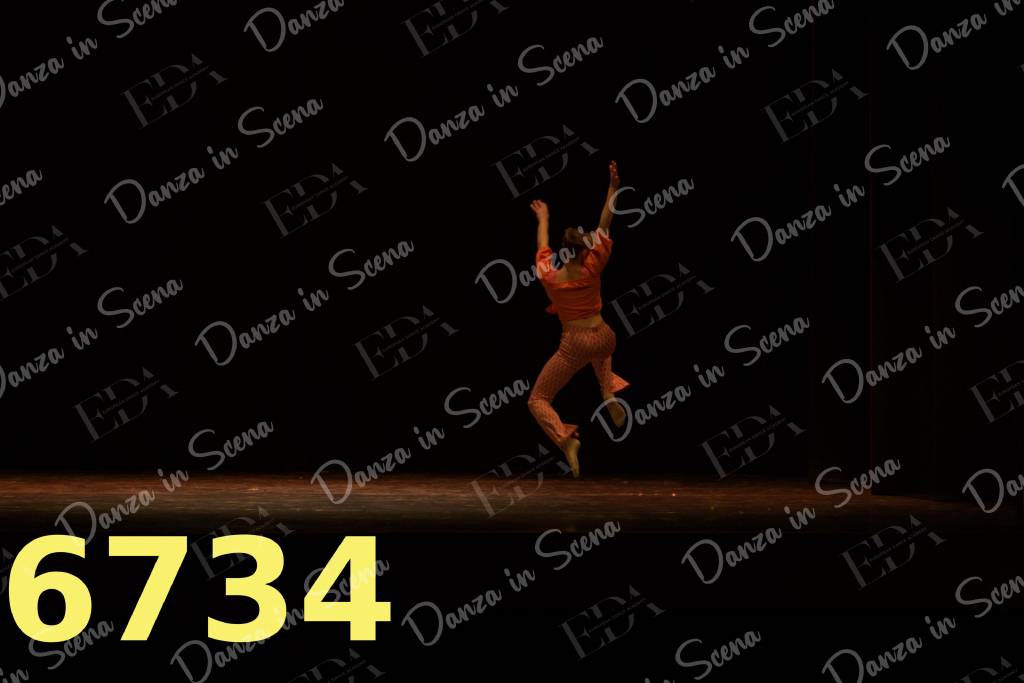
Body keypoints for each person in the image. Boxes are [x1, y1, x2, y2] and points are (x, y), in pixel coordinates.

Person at [527, 160, 629, 478]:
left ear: (564, 252)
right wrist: (613, 188)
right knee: (601, 349)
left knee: (538, 399)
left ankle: (565, 440)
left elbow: (542, 246)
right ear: (584, 251)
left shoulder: (550, 277)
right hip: (605, 336)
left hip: (575, 344)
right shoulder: (593, 265)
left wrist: (543, 218)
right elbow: (605, 222)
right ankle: (607, 393)